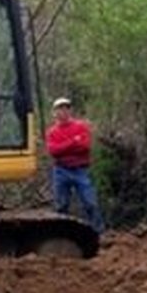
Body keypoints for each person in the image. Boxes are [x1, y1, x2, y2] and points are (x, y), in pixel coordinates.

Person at [45, 97, 104, 234]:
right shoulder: (52, 132)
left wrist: (64, 147)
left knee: (90, 203)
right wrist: (73, 142)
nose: (63, 111)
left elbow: (84, 147)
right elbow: (54, 151)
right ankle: (62, 235)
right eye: (60, 108)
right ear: (54, 112)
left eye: (66, 108)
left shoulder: (81, 126)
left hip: (80, 169)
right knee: (61, 206)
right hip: (60, 170)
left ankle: (98, 233)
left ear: (70, 110)